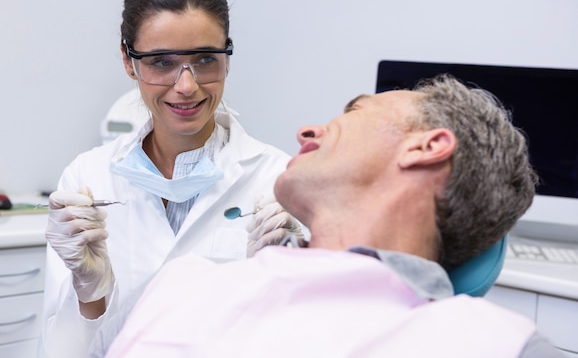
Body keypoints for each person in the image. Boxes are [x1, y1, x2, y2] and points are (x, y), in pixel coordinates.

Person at [91, 75, 563, 358]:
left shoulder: (490, 344)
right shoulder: (185, 286)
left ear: (427, 146)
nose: (308, 130)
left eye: (355, 112)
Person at [40, 0, 304, 358]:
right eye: (161, 62)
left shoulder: (280, 181)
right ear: (130, 62)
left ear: (227, 57)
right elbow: (64, 348)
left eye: (204, 59)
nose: (187, 85)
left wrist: (272, 284)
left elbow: (301, 339)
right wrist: (90, 293)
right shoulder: (87, 178)